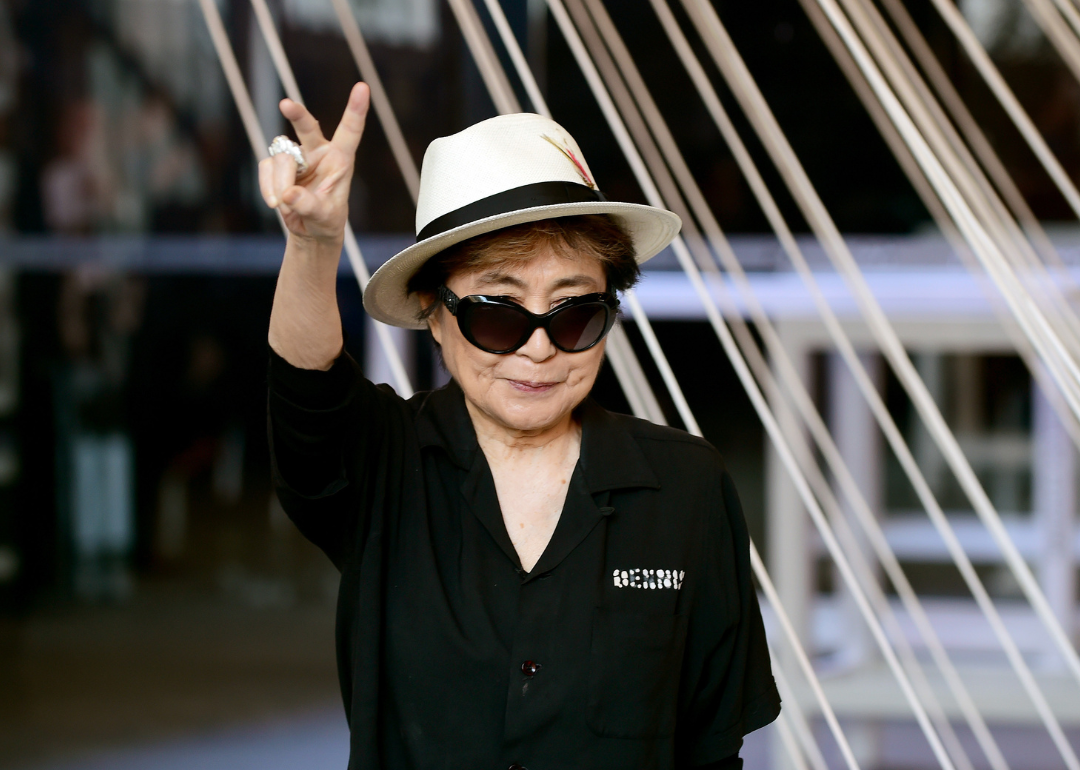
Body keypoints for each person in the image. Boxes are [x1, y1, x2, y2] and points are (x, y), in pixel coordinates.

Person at [262, 82, 780, 770]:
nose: (539, 348)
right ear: (436, 315)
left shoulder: (686, 488)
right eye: (499, 312)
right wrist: (314, 246)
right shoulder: (385, 464)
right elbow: (307, 390)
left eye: (574, 314)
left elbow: (714, 750)